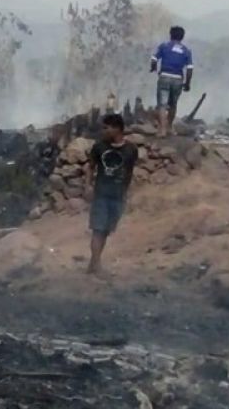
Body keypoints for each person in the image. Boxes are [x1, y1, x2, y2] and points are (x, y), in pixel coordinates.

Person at [86, 113, 138, 276]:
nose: (103, 131)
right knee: (98, 229)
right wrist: (88, 185)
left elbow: (129, 172)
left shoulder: (131, 149)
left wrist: (126, 194)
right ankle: (96, 265)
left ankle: (93, 264)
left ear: (117, 129)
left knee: (106, 231)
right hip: (101, 194)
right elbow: (91, 167)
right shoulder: (99, 147)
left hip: (118, 196)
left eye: (106, 128)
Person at [150, 26, 194, 138]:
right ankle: (169, 127)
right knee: (173, 105)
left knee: (162, 105)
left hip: (164, 76)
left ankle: (162, 130)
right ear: (182, 37)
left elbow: (154, 59)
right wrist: (188, 83)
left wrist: (153, 68)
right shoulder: (186, 51)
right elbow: (189, 69)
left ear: (170, 35)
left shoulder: (164, 46)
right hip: (178, 79)